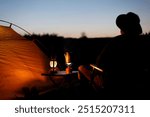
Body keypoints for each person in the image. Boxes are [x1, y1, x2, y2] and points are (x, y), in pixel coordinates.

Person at [78, 12, 149, 99]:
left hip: (113, 84)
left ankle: (85, 96)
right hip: (137, 83)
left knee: (81, 68)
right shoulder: (144, 43)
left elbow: (99, 62)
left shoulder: (116, 41)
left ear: (123, 28)